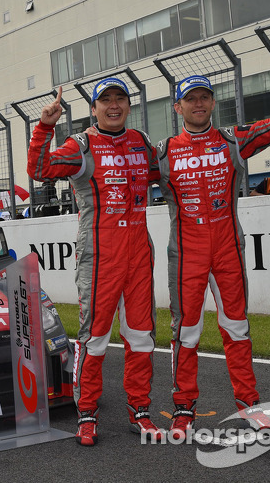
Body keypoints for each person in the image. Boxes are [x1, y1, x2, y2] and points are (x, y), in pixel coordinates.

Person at [156, 33, 270, 438]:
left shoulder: (234, 139)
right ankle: (183, 410)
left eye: (204, 97)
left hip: (228, 248)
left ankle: (250, 407)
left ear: (213, 102)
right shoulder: (161, 152)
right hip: (186, 254)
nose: (198, 104)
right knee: (187, 333)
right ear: (177, 106)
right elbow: (120, 176)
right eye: (190, 98)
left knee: (237, 329)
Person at [27, 78, 162, 446]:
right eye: (106, 100)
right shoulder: (81, 145)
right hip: (100, 252)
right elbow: (39, 169)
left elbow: (169, 174)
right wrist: (45, 127)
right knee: (95, 337)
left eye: (120, 99)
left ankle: (140, 411)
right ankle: (86, 413)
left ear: (128, 106)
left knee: (141, 336)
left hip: (138, 249)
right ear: (93, 107)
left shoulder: (142, 142)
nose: (113, 105)